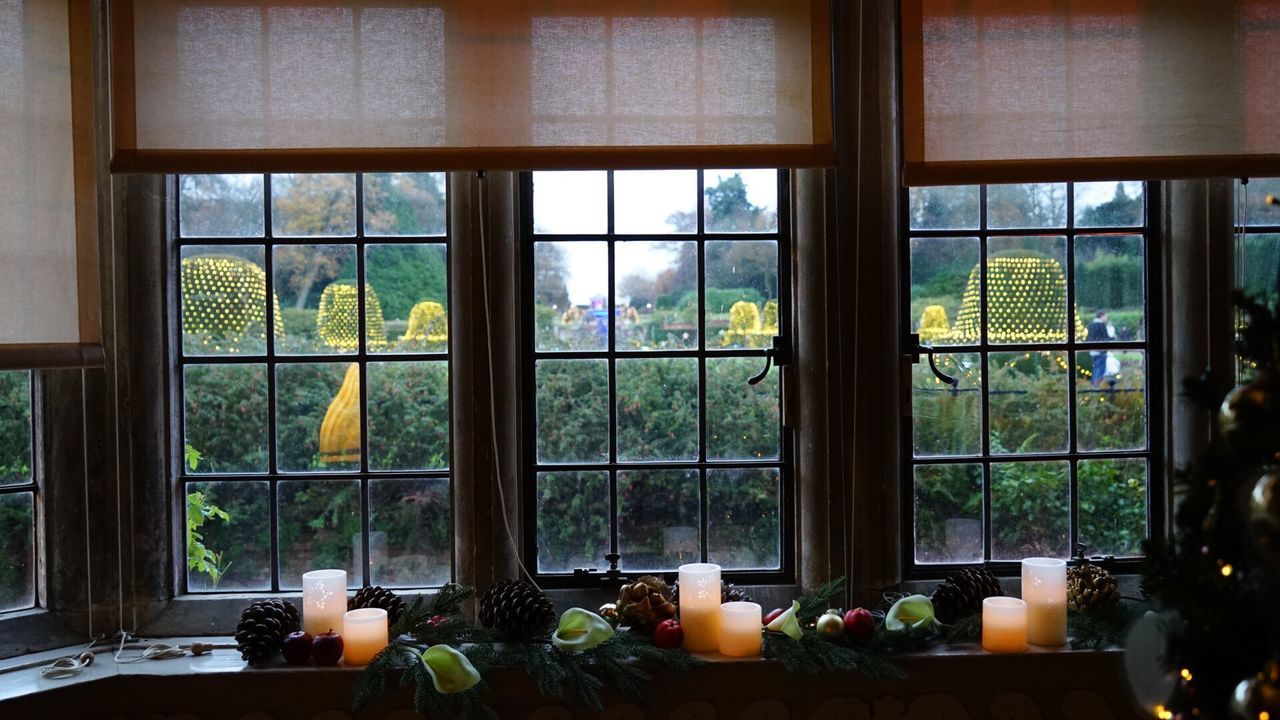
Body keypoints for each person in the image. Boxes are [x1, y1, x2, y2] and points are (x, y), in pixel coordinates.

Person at [1086, 311, 1110, 385]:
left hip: (1093, 350)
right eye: (1106, 316)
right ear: (1101, 316)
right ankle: (1097, 385)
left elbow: (1089, 337)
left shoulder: (1091, 325)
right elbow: (1105, 338)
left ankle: (1094, 384)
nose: (1107, 318)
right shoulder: (1101, 325)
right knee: (1100, 369)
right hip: (1101, 351)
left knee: (1096, 368)